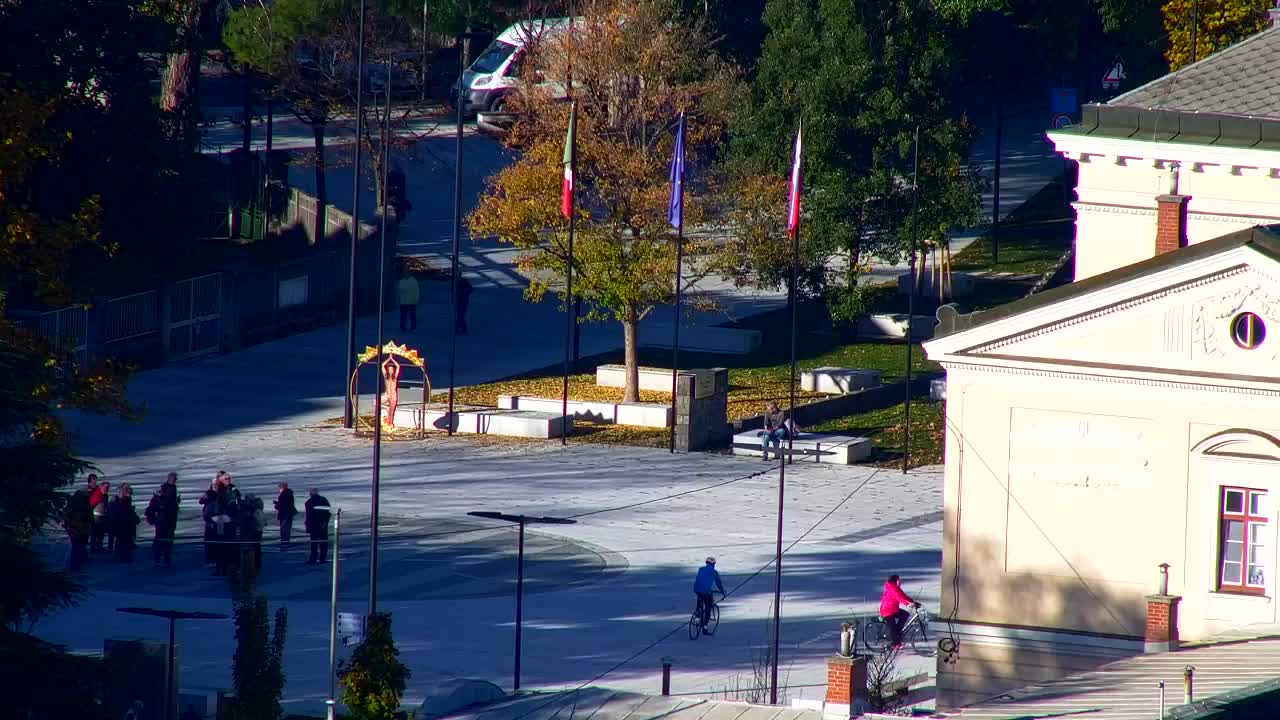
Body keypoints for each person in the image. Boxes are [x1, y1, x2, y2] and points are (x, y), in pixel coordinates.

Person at [879, 574, 919, 649]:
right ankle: (894, 644)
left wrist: (913, 601)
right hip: (887, 610)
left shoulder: (896, 587)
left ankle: (897, 632)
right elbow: (899, 598)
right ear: (895, 581)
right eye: (899, 580)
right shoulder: (892, 588)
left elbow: (903, 595)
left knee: (905, 614)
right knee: (892, 626)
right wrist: (907, 604)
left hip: (893, 609)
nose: (900, 581)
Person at [145, 482, 179, 568]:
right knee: (162, 541)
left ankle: (164, 560)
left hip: (167, 523)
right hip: (161, 523)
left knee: (165, 542)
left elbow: (173, 511)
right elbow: (150, 510)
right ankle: (159, 559)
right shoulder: (158, 499)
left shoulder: (167, 500)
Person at [108, 484, 140, 563]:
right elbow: (117, 512)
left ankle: (121, 555)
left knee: (123, 540)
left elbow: (129, 511)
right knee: (122, 540)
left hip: (126, 523)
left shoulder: (126, 499)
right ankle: (123, 557)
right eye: (128, 491)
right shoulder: (117, 500)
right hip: (120, 523)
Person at [693, 556, 726, 634]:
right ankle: (705, 627)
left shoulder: (700, 569)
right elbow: (718, 583)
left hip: (697, 589)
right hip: (706, 591)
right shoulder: (714, 572)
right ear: (713, 564)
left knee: (700, 597)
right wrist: (723, 592)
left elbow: (701, 580)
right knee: (708, 607)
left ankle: (697, 615)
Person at [64, 489, 93, 572]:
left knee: (78, 545)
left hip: (77, 529)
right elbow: (90, 517)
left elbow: (66, 517)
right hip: (78, 529)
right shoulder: (83, 505)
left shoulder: (74, 505)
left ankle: (80, 561)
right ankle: (76, 565)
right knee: (78, 546)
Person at [304, 488, 332, 565]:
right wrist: (325, 522)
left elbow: (308, 516)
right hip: (322, 524)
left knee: (314, 543)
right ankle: (322, 558)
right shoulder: (323, 500)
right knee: (323, 542)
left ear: (311, 494)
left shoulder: (308, 502)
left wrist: (307, 525)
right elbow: (328, 512)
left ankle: (313, 559)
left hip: (313, 525)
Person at [275, 482, 298, 550]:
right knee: (286, 529)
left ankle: (285, 542)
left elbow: (284, 505)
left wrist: (277, 505)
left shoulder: (285, 494)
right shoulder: (288, 494)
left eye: (280, 487)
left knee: (284, 529)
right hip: (287, 514)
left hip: (285, 514)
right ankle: (285, 541)